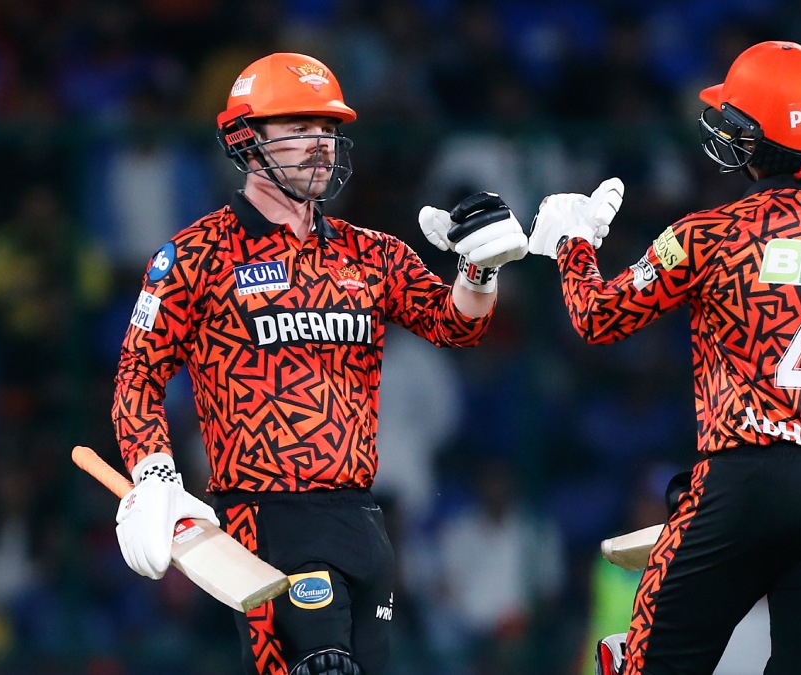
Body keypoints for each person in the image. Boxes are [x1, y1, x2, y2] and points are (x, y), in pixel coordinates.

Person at [527, 41, 801, 674]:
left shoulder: (710, 235)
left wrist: (573, 243)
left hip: (746, 483)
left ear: (756, 141)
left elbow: (596, 317)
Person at [109, 52, 528, 675]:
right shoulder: (197, 256)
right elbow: (137, 376)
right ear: (246, 139)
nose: (321, 145)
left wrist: (479, 271)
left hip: (362, 519)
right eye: (299, 128)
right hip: (264, 520)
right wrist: (156, 475)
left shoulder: (370, 252)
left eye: (328, 129)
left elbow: (454, 325)